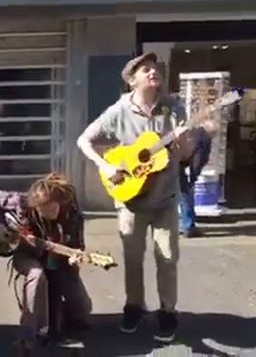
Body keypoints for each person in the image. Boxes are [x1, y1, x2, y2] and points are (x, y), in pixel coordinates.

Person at [76, 52, 215, 342]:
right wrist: (107, 165)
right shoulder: (118, 111)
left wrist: (184, 142)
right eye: (146, 70)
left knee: (167, 258)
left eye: (155, 69)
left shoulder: (173, 108)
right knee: (133, 258)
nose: (154, 73)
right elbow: (84, 140)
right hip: (130, 199)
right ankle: (134, 306)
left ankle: (167, 312)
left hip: (165, 198)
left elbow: (185, 155)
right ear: (132, 80)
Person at [0, 174, 92, 355]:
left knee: (83, 308)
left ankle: (56, 318)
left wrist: (74, 258)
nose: (49, 211)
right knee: (37, 275)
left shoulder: (72, 214)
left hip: (58, 257)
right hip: (26, 252)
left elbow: (77, 246)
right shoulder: (20, 201)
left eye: (51, 206)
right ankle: (29, 333)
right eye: (43, 209)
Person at [179, 126, 213, 237]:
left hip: (172, 162)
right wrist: (194, 176)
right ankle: (188, 226)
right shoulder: (203, 137)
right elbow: (198, 160)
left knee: (176, 195)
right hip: (179, 164)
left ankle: (183, 224)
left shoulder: (193, 131)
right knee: (186, 194)